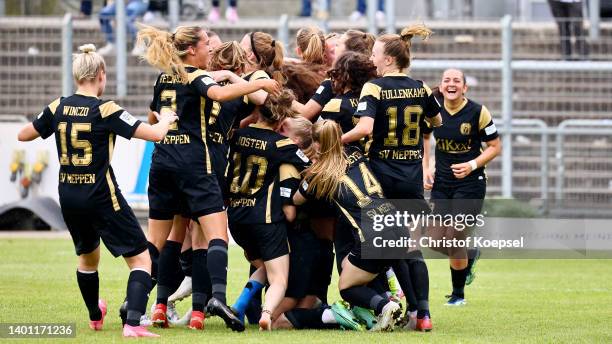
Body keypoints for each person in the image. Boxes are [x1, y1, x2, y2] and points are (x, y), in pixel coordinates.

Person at [17, 44, 178, 338]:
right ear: (100, 75)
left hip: (68, 195)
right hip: (101, 195)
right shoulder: (106, 109)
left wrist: (50, 120)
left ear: (77, 75)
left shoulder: (59, 106)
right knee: (141, 259)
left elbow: (23, 134)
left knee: (88, 259)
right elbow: (154, 134)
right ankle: (132, 324)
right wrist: (166, 119)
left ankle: (95, 315)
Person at [136, 24, 281, 332]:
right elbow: (253, 98)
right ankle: (208, 303)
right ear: (195, 50)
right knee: (209, 236)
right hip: (203, 164)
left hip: (166, 160)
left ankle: (144, 302)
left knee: (168, 237)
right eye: (207, 46)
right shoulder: (209, 78)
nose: (210, 51)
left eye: (214, 49)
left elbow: (153, 116)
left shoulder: (170, 77)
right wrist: (238, 80)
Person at [341, 24, 443, 330]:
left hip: (382, 176)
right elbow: (435, 120)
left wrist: (336, 140)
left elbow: (365, 129)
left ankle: (403, 307)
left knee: (392, 244)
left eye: (375, 55)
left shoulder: (374, 87)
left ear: (387, 59)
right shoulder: (421, 87)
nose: (371, 60)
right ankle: (422, 314)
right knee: (411, 246)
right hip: (411, 177)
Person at [294, 120, 432, 332]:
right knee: (398, 257)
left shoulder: (318, 173)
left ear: (317, 144)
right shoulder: (355, 152)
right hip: (393, 218)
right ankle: (415, 313)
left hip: (371, 234)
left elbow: (296, 200)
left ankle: (385, 305)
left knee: (347, 287)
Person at [227, 90, 310, 330]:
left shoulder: (238, 135)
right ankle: (267, 313)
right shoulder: (281, 144)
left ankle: (238, 308)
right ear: (281, 120)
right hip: (263, 219)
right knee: (279, 278)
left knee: (264, 267)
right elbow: (310, 164)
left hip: (236, 218)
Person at [422, 69, 501, 306]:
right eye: (447, 80)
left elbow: (495, 146)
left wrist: (471, 164)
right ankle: (470, 255)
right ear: (442, 85)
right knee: (436, 240)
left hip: (470, 183)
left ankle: (458, 295)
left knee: (455, 237)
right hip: (443, 183)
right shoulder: (433, 110)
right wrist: (427, 167)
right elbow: (425, 138)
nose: (451, 83)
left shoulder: (478, 112)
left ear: (464, 88)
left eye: (457, 80)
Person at [293, 29, 376, 120]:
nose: (324, 54)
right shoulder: (374, 81)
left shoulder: (334, 83)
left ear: (347, 53)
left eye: (337, 45)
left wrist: (284, 97)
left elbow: (305, 114)